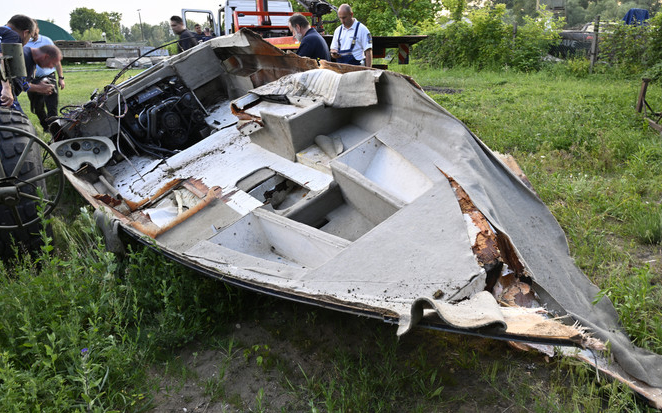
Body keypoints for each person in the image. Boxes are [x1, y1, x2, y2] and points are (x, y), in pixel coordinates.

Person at [26, 26, 65, 130]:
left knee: (51, 105)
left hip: (48, 76)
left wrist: (61, 78)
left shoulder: (47, 40)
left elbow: (56, 60)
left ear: (37, 29)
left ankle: (55, 129)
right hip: (32, 79)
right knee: (37, 107)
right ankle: (46, 126)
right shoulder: (24, 43)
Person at [11, 44, 62, 113]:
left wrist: (39, 87)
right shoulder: (23, 56)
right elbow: (15, 83)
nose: (51, 67)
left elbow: (22, 83)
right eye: (53, 64)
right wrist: (38, 88)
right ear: (46, 57)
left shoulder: (31, 60)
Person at [0, 15, 36, 108]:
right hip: (2, 89)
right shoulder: (11, 35)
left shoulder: (2, 32)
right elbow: (1, 57)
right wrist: (6, 88)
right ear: (26, 33)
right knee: (17, 119)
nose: (28, 41)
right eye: (30, 37)